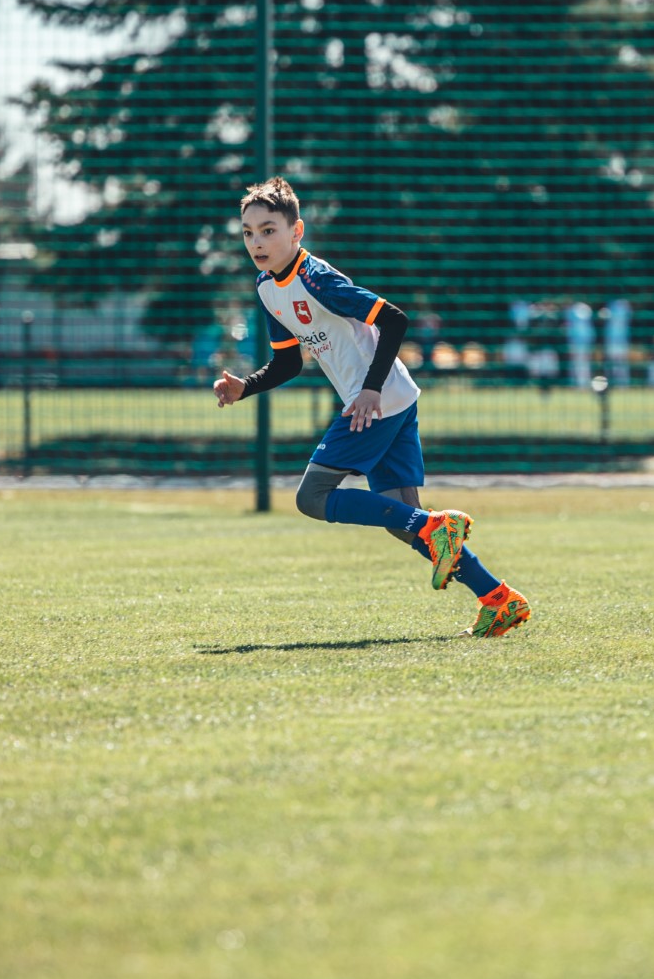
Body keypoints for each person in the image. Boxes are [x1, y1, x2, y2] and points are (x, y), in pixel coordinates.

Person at [212, 176, 531, 638]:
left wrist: (370, 389)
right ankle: (499, 599)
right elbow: (287, 362)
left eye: (268, 230)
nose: (256, 242)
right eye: (248, 232)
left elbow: (394, 320)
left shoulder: (316, 278)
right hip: (391, 399)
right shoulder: (267, 287)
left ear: (296, 231)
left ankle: (438, 524)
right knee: (405, 522)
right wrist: (247, 386)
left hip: (376, 402)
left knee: (312, 497)